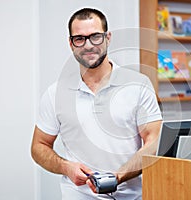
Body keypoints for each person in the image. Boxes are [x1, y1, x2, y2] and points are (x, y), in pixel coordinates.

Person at [31, 7, 162, 200]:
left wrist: (118, 176)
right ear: (71, 43)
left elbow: (154, 142)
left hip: (133, 196)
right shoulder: (55, 93)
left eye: (95, 37)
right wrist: (65, 167)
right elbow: (38, 146)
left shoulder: (138, 85)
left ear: (108, 38)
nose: (88, 45)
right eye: (79, 38)